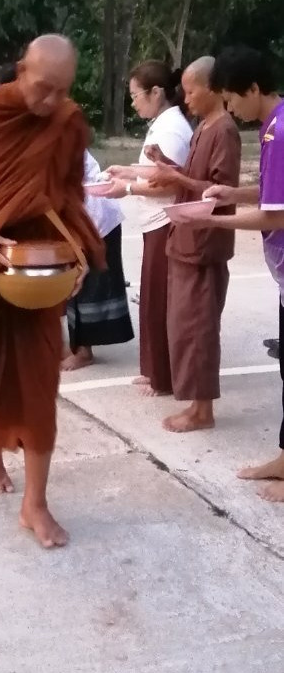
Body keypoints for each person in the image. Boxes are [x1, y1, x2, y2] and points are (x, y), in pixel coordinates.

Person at [0, 35, 104, 548]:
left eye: (62, 91)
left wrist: (77, 250)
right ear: (19, 71)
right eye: (42, 88)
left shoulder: (67, 122)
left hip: (41, 264)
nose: (50, 102)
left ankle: (35, 503)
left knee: (37, 381)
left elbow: (71, 193)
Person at [186, 46, 284, 501]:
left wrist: (211, 218)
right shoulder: (270, 131)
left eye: (231, 98)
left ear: (254, 89)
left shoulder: (280, 132)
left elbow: (274, 217)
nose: (230, 109)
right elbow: (269, 195)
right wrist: (231, 192)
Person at [148, 57, 241, 432]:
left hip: (205, 245)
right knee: (185, 327)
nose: (185, 99)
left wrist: (175, 176)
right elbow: (194, 177)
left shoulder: (225, 131)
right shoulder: (205, 127)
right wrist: (168, 165)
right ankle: (194, 403)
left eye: (190, 91)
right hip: (186, 241)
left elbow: (220, 192)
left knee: (199, 329)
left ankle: (203, 410)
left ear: (213, 89)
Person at [105, 61, 193, 396]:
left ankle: (164, 376)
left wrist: (127, 188)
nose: (133, 102)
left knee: (161, 300)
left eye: (135, 95)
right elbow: (152, 171)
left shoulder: (171, 128)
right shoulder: (161, 123)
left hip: (165, 220)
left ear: (157, 92)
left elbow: (168, 185)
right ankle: (154, 369)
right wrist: (127, 172)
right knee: (153, 299)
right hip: (155, 222)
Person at [62, 151, 134, 370]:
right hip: (78, 216)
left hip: (96, 218)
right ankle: (76, 344)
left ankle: (84, 351)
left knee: (90, 286)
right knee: (74, 283)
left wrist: (80, 248)